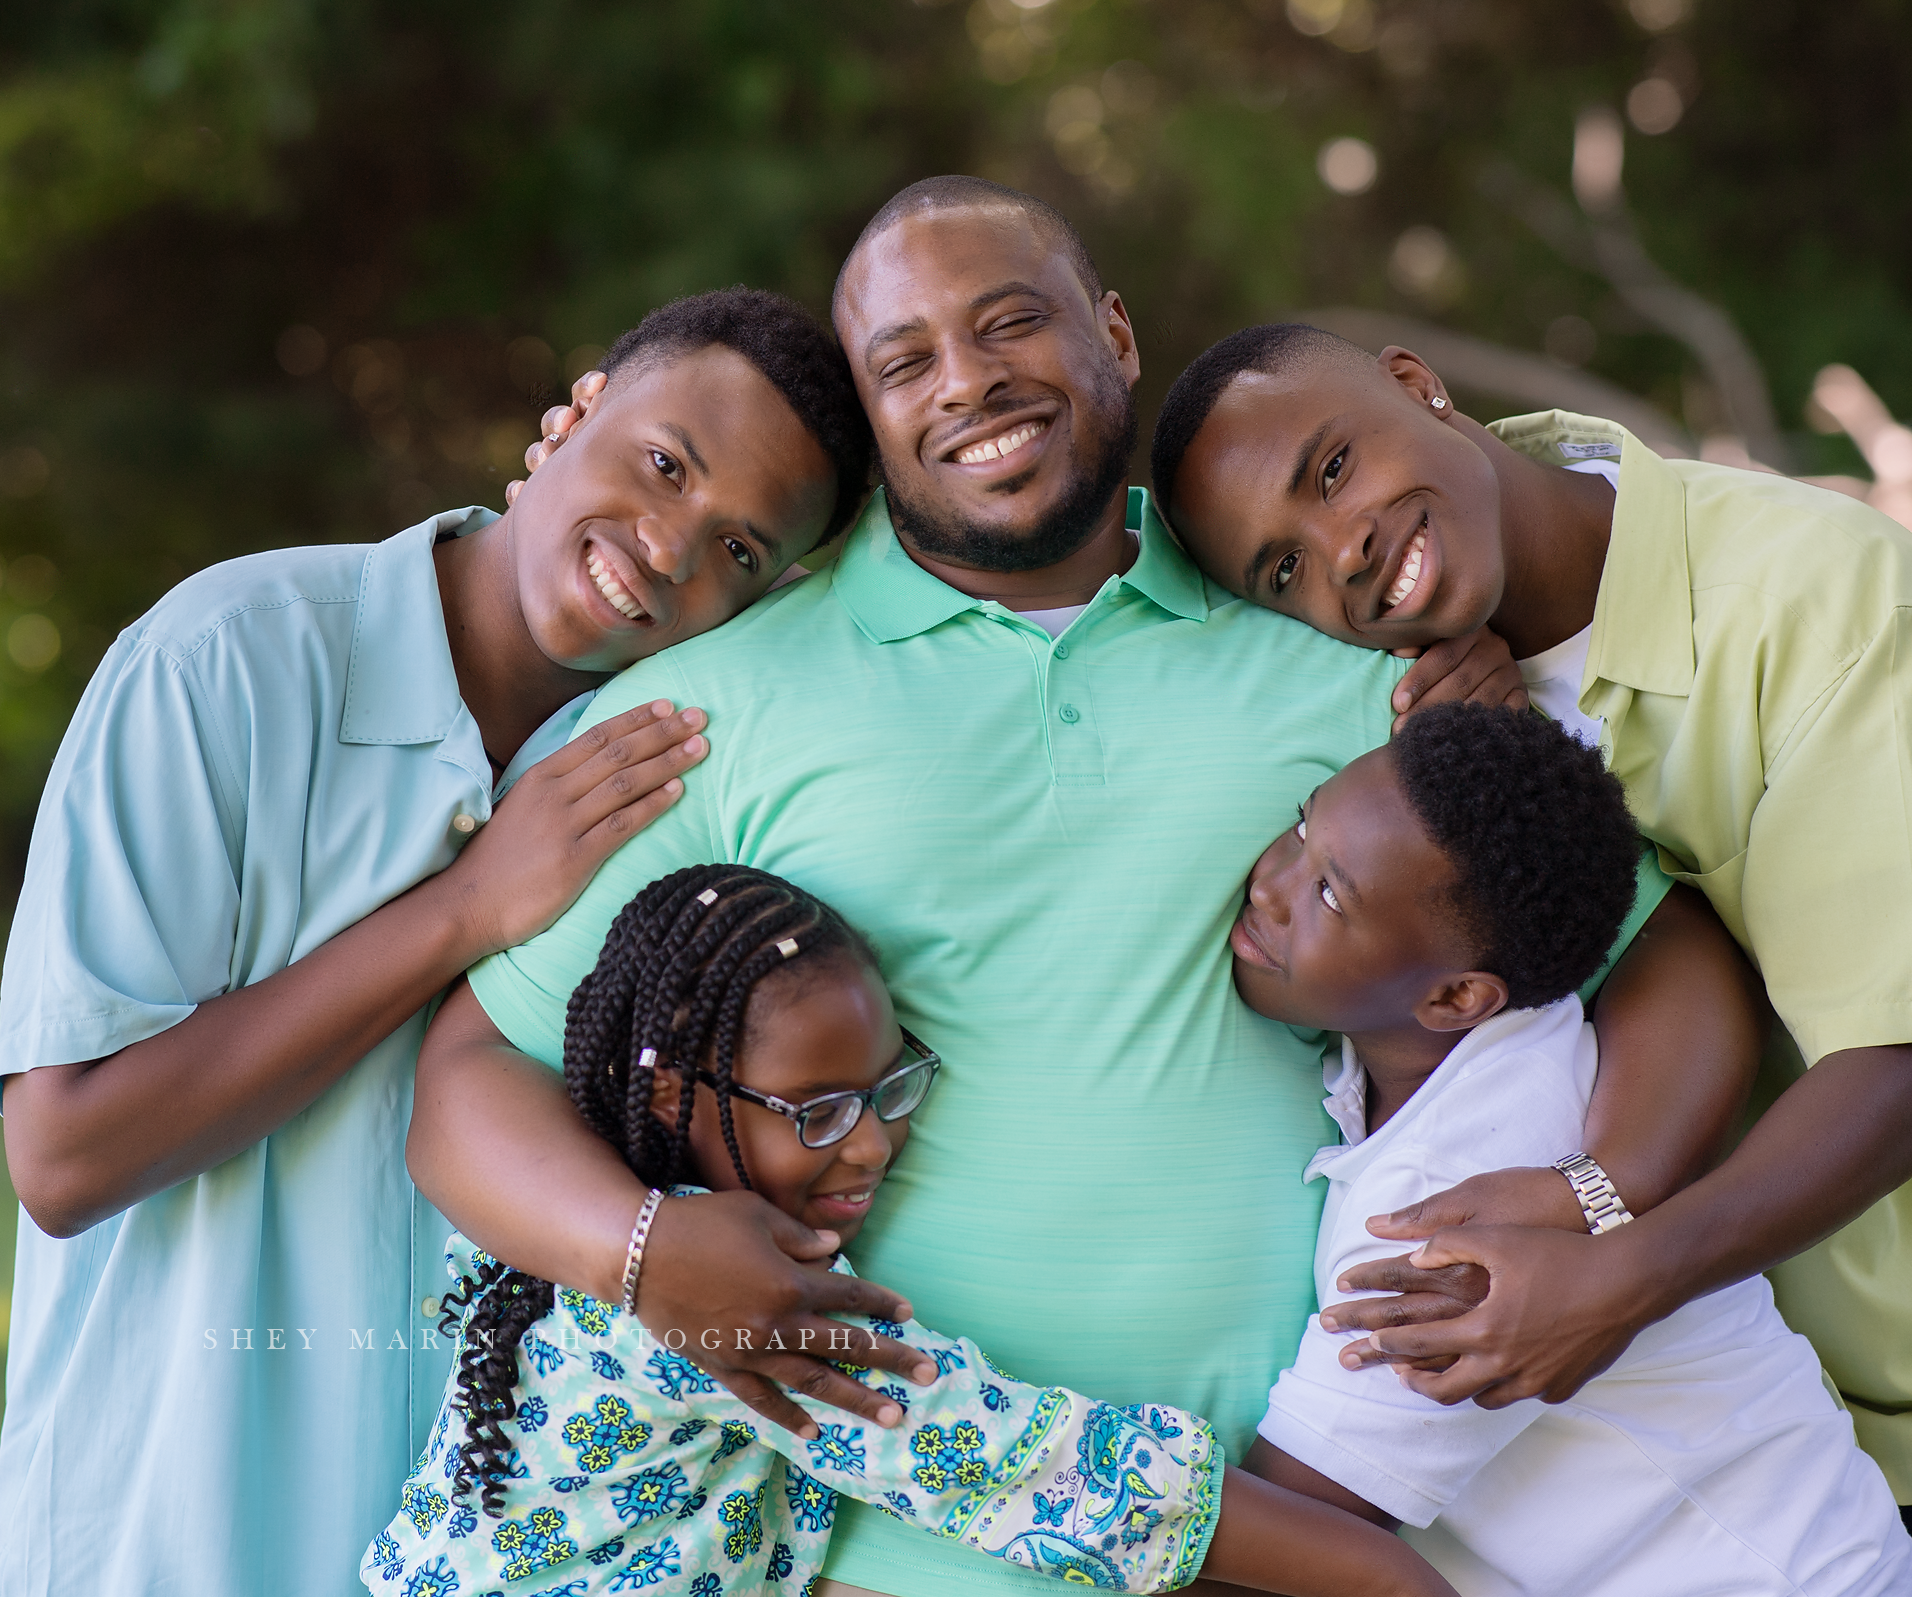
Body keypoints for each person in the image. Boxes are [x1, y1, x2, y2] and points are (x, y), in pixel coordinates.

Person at [408, 178, 1763, 1597]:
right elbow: (468, 1070)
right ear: (869, 422)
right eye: (905, 361)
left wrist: (1604, 1211)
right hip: (882, 1556)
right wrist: (642, 1251)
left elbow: (1661, 959)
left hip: (1283, 1544)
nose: (971, 381)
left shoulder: (1354, 671)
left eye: (1011, 322)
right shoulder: (707, 709)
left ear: (1112, 331)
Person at [0, 289, 879, 1597]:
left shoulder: (679, 787)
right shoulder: (225, 663)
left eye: (740, 549)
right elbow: (63, 1154)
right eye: (663, 463)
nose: (669, 545)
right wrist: (467, 907)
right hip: (168, 1537)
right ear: (573, 412)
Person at [1147, 321, 1912, 1594]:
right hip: (1689, 1449)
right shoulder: (1393, 716)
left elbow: (1889, 1078)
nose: (1337, 550)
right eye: (1280, 568)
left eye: (1334, 463)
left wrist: (1613, 1259)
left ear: (1418, 383)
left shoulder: (1824, 599)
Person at [372, 863, 1457, 1597]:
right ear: (670, 1103)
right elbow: (1003, 1456)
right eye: (817, 1112)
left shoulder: (581, 1202)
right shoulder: (716, 1299)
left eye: (889, 1087)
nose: (871, 1145)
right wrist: (1389, 1579)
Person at [1228, 705, 1912, 1596]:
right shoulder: (1499, 1052)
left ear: (1455, 998)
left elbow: (1297, 1532)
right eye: (1300, 827)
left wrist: (1030, 1455)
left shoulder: (1451, 1201)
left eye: (1330, 893)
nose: (1270, 885)